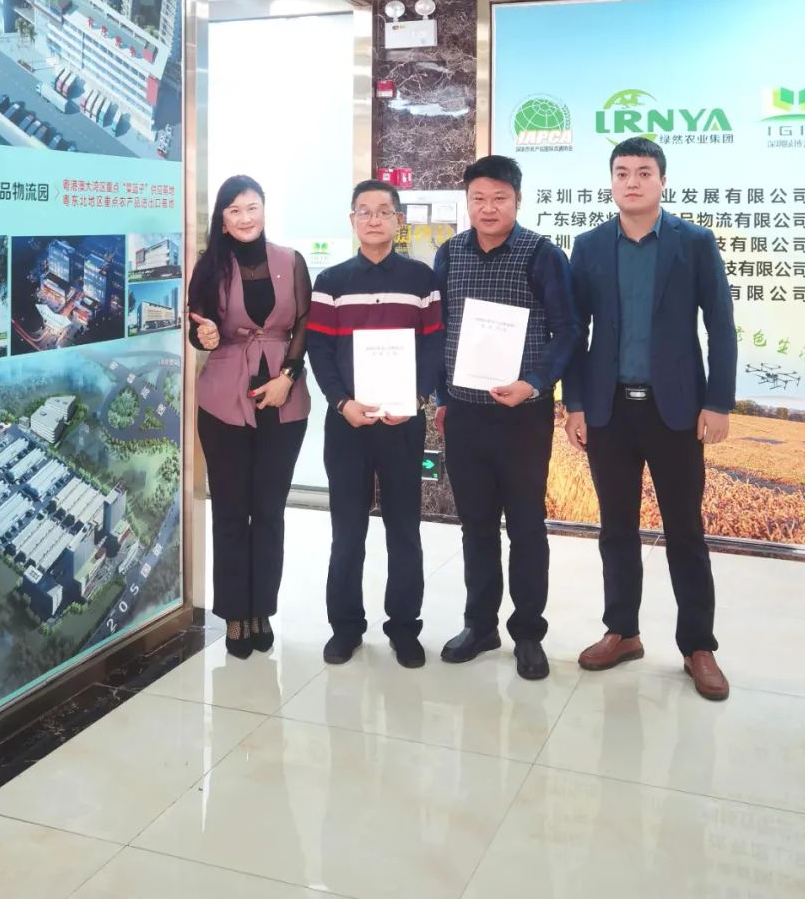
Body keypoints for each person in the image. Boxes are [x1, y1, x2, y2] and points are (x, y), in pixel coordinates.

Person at [563, 138, 737, 701]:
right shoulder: (589, 246)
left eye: (643, 172)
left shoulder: (694, 243)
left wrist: (719, 402)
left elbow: (721, 326)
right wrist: (575, 403)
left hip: (676, 412)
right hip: (609, 410)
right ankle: (623, 632)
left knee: (685, 530)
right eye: (622, 172)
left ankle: (698, 646)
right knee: (615, 528)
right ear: (611, 182)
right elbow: (575, 333)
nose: (632, 181)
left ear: (663, 181)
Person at [434, 155, 578, 681]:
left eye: (500, 198)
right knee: (475, 526)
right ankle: (480, 626)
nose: (488, 208)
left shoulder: (542, 255)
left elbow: (568, 331)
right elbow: (439, 328)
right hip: (465, 415)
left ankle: (528, 633)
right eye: (479, 198)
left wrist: (534, 383)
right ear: (467, 202)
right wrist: (441, 396)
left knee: (526, 527)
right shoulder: (449, 254)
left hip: (523, 416)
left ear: (518, 200)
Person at [306, 179, 445, 669]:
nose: (373, 219)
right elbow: (318, 349)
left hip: (403, 423)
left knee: (404, 530)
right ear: (352, 220)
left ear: (398, 220)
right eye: (363, 211)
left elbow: (434, 344)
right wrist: (341, 402)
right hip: (348, 425)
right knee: (347, 532)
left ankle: (404, 628)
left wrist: (417, 398)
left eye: (383, 211)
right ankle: (345, 627)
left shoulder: (421, 279)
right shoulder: (331, 281)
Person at [188, 175, 311, 658]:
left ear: (264, 209)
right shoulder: (209, 267)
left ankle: (262, 610)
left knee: (270, 510)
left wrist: (288, 375)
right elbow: (199, 326)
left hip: (284, 401)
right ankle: (236, 615)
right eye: (234, 210)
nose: (245, 218)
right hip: (223, 401)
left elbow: (304, 322)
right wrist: (204, 337)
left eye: (252, 207)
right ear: (223, 219)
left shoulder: (290, 261)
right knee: (230, 509)